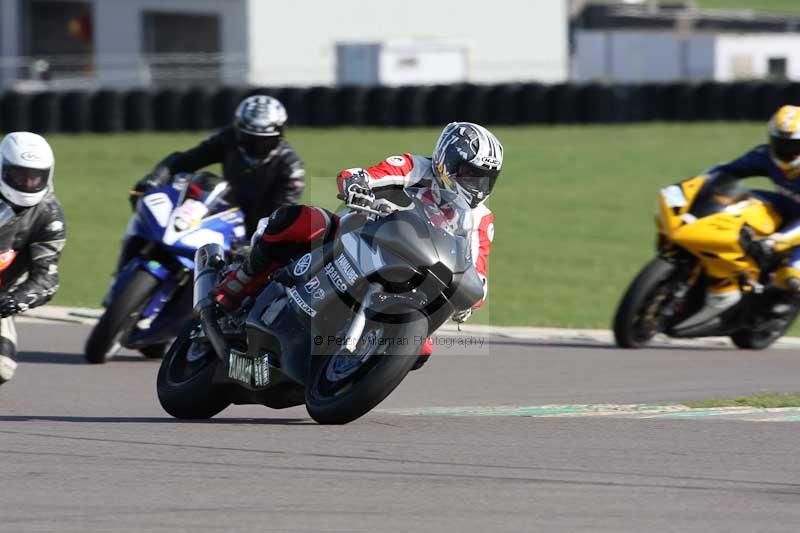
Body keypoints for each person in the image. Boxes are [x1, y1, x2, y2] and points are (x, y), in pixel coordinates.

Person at [212, 122, 502, 368]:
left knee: (420, 347)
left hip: (410, 276)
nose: (476, 185)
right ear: (446, 160)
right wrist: (356, 185)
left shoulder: (481, 218)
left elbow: (477, 271)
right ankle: (241, 280)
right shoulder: (416, 167)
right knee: (301, 220)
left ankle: (350, 370)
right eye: (469, 173)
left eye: (484, 179)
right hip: (362, 236)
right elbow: (362, 174)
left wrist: (470, 297)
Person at [676, 104, 800, 329]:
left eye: (793, 146)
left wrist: (778, 240)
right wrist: (697, 187)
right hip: (786, 205)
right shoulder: (765, 155)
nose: (785, 150)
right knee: (742, 202)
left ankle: (783, 304)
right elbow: (726, 170)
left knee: (792, 275)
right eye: (779, 143)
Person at [130, 94, 305, 236]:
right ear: (238, 131)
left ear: (279, 134)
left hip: (258, 231)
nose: (256, 146)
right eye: (249, 138)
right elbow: (185, 160)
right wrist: (155, 179)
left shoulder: (290, 168)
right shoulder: (229, 139)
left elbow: (280, 216)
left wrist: (256, 242)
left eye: (264, 141)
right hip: (223, 215)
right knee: (203, 183)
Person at [0, 132, 66, 386]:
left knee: (3, 369)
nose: (27, 183)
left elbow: (46, 277)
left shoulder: (49, 215)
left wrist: (15, 300)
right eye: (19, 176)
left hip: (1, 293)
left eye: (34, 177)